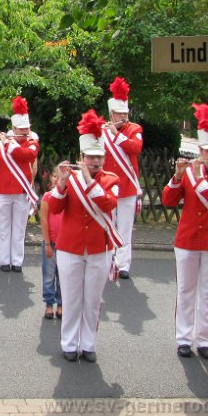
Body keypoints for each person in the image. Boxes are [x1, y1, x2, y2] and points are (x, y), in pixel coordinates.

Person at [162, 103, 208, 360]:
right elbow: (168, 201)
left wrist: (198, 176)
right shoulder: (190, 173)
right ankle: (184, 338)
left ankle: (205, 340)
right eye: (207, 150)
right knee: (185, 290)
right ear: (200, 150)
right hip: (188, 239)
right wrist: (176, 176)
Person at [50, 110, 120, 363]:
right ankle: (69, 343)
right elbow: (55, 209)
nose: (96, 161)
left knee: (92, 300)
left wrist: (89, 180)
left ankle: (88, 344)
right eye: (91, 157)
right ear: (82, 157)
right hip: (70, 247)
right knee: (71, 298)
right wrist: (61, 184)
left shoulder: (111, 180)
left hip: (99, 248)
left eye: (99, 157)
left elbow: (106, 203)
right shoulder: (70, 179)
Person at [0, 96, 39, 273]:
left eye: (26, 128)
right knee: (3, 228)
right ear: (13, 128)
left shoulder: (32, 144)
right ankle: (4, 261)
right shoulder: (3, 145)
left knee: (19, 229)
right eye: (21, 128)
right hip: (3, 191)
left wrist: (9, 143)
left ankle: (17, 262)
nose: (24, 131)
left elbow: (26, 156)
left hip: (22, 191)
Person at [102, 77, 143, 280]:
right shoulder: (103, 132)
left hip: (127, 187)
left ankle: (124, 264)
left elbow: (135, 148)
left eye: (125, 113)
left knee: (125, 227)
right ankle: (109, 261)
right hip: (108, 187)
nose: (123, 117)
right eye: (119, 113)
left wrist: (116, 135)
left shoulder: (134, 130)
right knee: (108, 225)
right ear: (111, 114)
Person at [40, 170, 63, 320]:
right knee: (49, 276)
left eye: (61, 177)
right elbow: (44, 220)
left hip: (65, 245)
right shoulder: (47, 197)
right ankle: (49, 304)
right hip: (51, 242)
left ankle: (61, 304)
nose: (57, 180)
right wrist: (47, 243)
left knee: (63, 277)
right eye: (55, 176)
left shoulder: (68, 198)